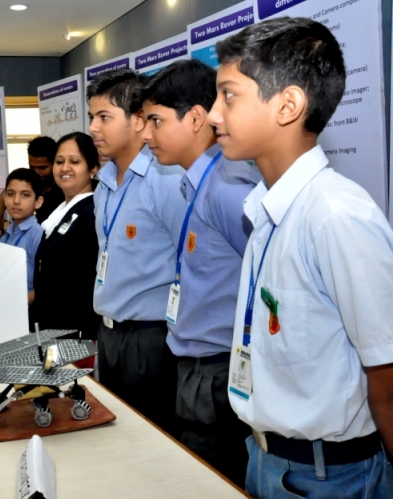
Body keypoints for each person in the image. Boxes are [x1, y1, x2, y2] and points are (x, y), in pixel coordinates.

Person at [211, 18, 393, 498]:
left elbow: (387, 371)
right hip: (267, 460)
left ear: (287, 106)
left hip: (333, 477)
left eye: (228, 96)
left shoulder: (336, 215)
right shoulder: (267, 209)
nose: (212, 115)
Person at [140, 59, 261, 487]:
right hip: (196, 368)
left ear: (195, 118)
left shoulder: (227, 191)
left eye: (155, 121)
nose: (146, 134)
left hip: (219, 372)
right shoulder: (197, 184)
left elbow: (270, 277)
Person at [88, 68, 186, 435]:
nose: (93, 128)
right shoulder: (103, 184)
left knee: (152, 440)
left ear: (138, 120)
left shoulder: (166, 180)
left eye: (104, 117)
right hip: (109, 334)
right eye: (92, 117)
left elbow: (191, 262)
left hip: (151, 339)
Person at [30, 132, 100, 341]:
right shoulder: (60, 210)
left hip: (76, 332)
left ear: (93, 169)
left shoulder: (92, 212)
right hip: (53, 327)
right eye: (59, 162)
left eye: (74, 162)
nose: (65, 168)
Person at [0, 168, 44, 305]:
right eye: (11, 194)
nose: (16, 201)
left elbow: (44, 284)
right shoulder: (5, 236)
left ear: (38, 202)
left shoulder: (37, 235)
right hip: (5, 300)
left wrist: (18, 305)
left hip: (25, 307)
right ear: (4, 198)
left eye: (25, 195)